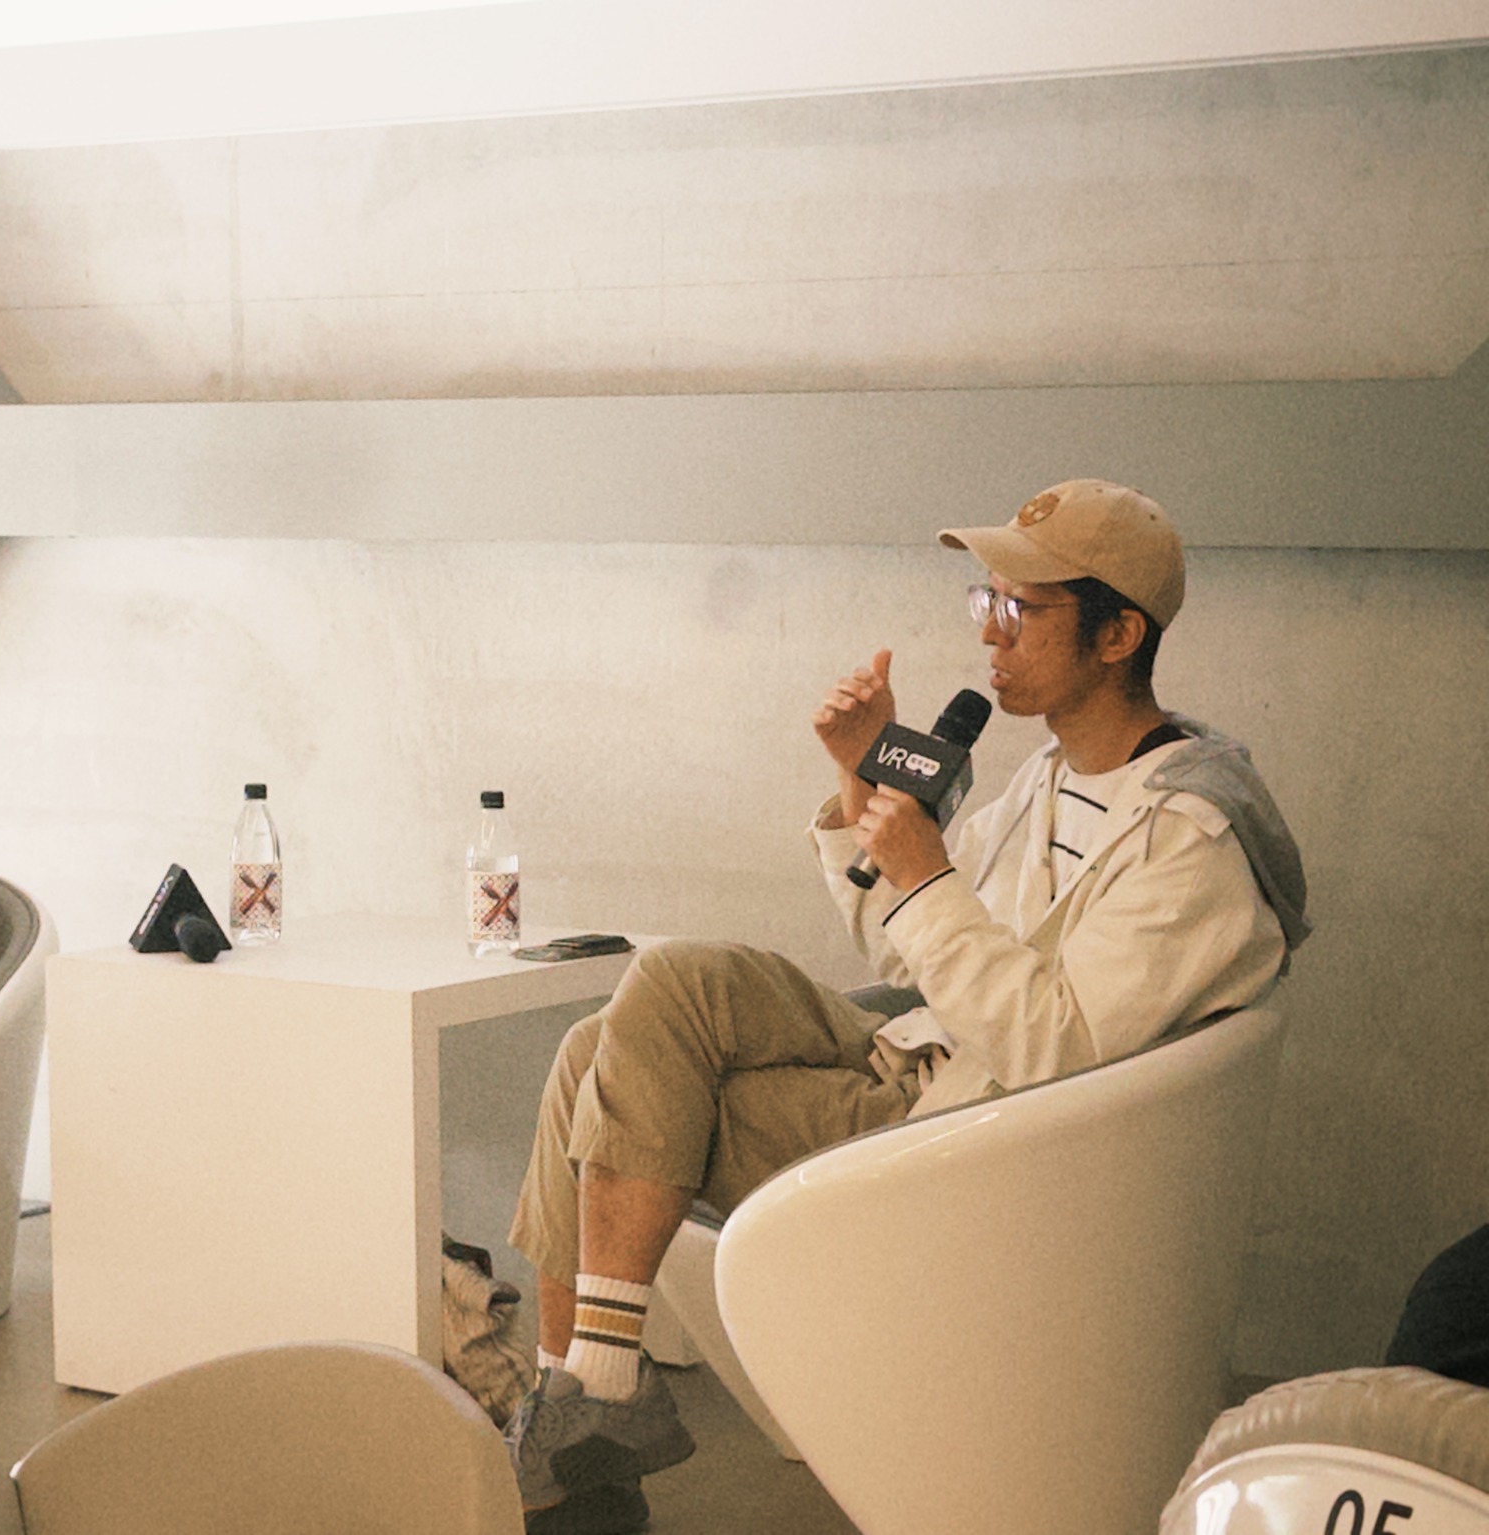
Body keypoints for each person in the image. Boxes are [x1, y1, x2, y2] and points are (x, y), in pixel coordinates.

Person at [502, 480, 1312, 1533]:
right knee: (637, 1011)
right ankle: (590, 1402)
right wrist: (862, 785)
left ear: (1117, 634)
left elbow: (1052, 1046)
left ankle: (583, 1429)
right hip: (919, 1043)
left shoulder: (1187, 841)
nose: (989, 634)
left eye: (1020, 609)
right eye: (985, 600)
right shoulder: (1047, 777)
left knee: (601, 1066)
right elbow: (905, 945)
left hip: (975, 1134)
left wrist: (927, 874)